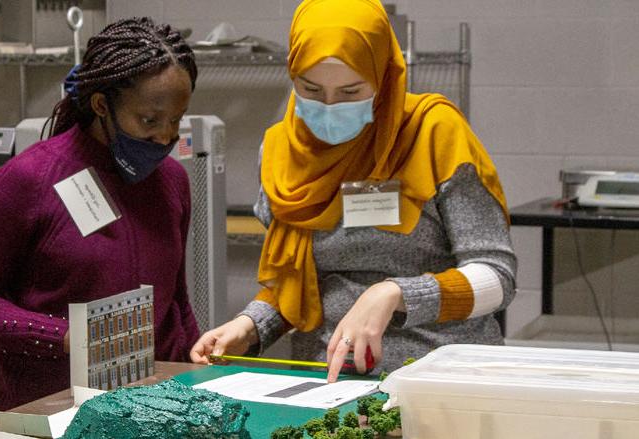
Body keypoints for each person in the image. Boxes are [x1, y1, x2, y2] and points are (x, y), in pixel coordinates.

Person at [191, 0, 516, 382]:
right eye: (310, 89)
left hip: (439, 378)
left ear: (383, 78)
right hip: (329, 382)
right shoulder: (281, 154)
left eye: (350, 92)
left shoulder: (433, 135)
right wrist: (250, 325)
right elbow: (299, 282)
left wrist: (393, 294)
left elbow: (498, 278)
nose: (329, 107)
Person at [0, 17, 200, 412]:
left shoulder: (172, 182)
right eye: (149, 121)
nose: (165, 137)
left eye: (176, 120)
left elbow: (175, 301)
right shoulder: (30, 179)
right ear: (102, 105)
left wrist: (194, 369)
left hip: (152, 410)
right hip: (51, 413)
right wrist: (66, 337)